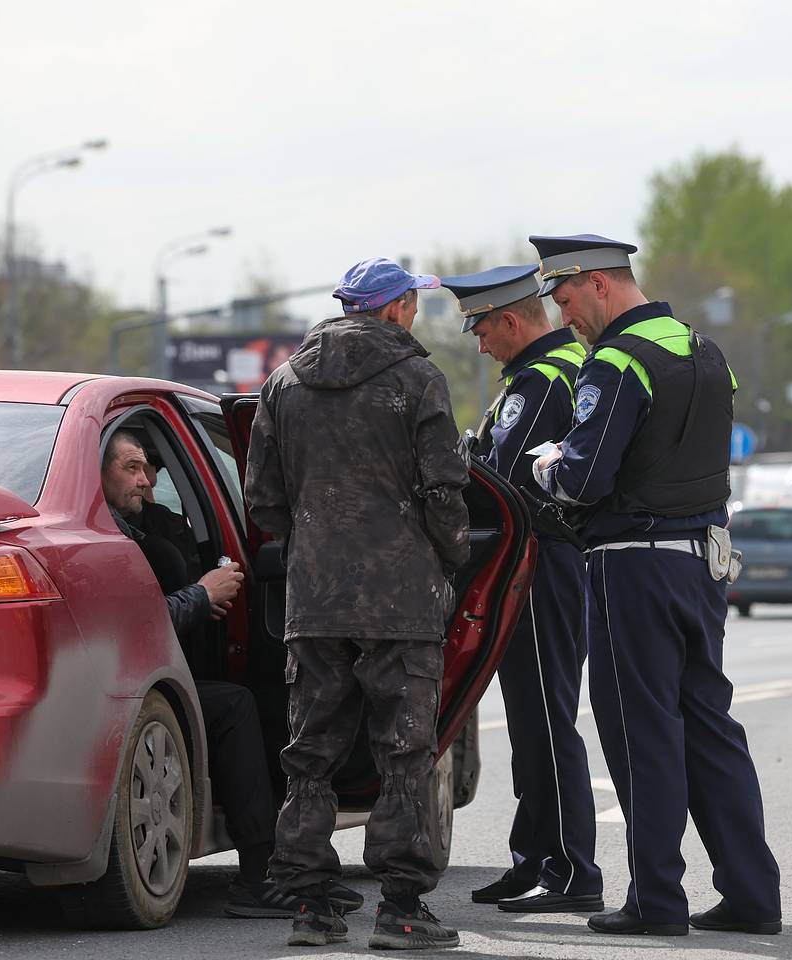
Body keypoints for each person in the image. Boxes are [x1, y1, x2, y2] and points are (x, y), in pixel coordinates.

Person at [529, 234, 782, 937]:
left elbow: (582, 478)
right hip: (701, 560)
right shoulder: (704, 352)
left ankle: (655, 901)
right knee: (709, 727)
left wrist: (548, 461)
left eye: (567, 297)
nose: (564, 315)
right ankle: (753, 894)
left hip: (632, 564)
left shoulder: (616, 362)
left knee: (644, 735)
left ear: (599, 284)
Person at [245, 257, 470, 950]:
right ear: (396, 308)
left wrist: (316, 548)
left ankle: (311, 908)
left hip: (314, 600)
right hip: (400, 600)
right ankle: (401, 909)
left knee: (310, 752)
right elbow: (443, 489)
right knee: (405, 752)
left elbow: (263, 500)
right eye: (413, 303)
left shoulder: (281, 384)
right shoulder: (416, 379)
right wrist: (450, 555)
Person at [100, 430, 365, 918]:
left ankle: (297, 867)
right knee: (234, 705)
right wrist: (200, 595)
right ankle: (259, 874)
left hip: (123, 686)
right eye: (132, 467)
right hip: (113, 692)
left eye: (149, 467)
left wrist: (200, 598)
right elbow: (129, 632)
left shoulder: (141, 529)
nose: (147, 479)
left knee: (267, 702)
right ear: (98, 472)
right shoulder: (99, 538)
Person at [438, 265, 603, 914]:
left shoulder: (544, 380)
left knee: (545, 720)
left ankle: (570, 871)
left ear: (509, 321)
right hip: (534, 563)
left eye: (480, 328)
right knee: (531, 720)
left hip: (542, 563)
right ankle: (533, 857)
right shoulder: (540, 375)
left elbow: (501, 479)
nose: (478, 343)